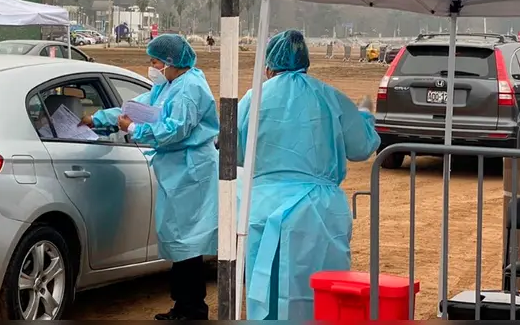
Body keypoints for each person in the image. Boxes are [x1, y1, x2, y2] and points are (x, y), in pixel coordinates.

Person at [236, 29, 380, 320]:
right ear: (306, 62)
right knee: (323, 292)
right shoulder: (329, 96)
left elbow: (235, 152)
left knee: (268, 290)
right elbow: (362, 146)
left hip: (264, 207)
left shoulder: (253, 99)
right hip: (318, 212)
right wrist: (365, 115)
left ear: (268, 66)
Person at [81, 34, 218, 320]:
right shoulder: (168, 85)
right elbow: (135, 108)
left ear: (169, 61)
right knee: (179, 242)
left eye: (154, 61)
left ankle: (192, 309)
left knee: (188, 244)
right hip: (176, 171)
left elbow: (174, 129)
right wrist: (98, 119)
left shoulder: (190, 88)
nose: (151, 66)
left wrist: (134, 130)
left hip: (191, 171)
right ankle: (183, 305)